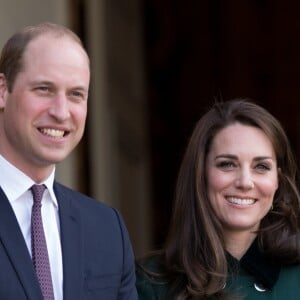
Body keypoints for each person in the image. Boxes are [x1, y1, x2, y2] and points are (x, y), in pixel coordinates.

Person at [0, 22, 138, 300]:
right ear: (3, 90)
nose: (61, 113)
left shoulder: (107, 229)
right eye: (44, 89)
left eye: (76, 94)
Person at [136, 99, 300, 299]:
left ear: (278, 182)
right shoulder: (150, 283)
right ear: (200, 175)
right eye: (227, 164)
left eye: (261, 167)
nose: (245, 182)